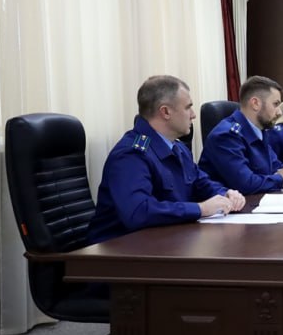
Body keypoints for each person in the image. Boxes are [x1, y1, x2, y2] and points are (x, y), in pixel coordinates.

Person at [87, 75, 245, 244]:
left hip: (163, 241)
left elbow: (201, 183)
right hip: (118, 249)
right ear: (165, 112)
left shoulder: (178, 148)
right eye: (188, 107)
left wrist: (224, 194)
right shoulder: (131, 155)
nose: (193, 115)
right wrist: (200, 209)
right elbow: (138, 211)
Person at [200, 75, 283, 193]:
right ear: (255, 103)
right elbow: (245, 183)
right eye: (275, 104)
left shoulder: (260, 131)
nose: (280, 112)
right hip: (232, 204)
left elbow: (277, 167)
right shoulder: (226, 136)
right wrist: (281, 179)